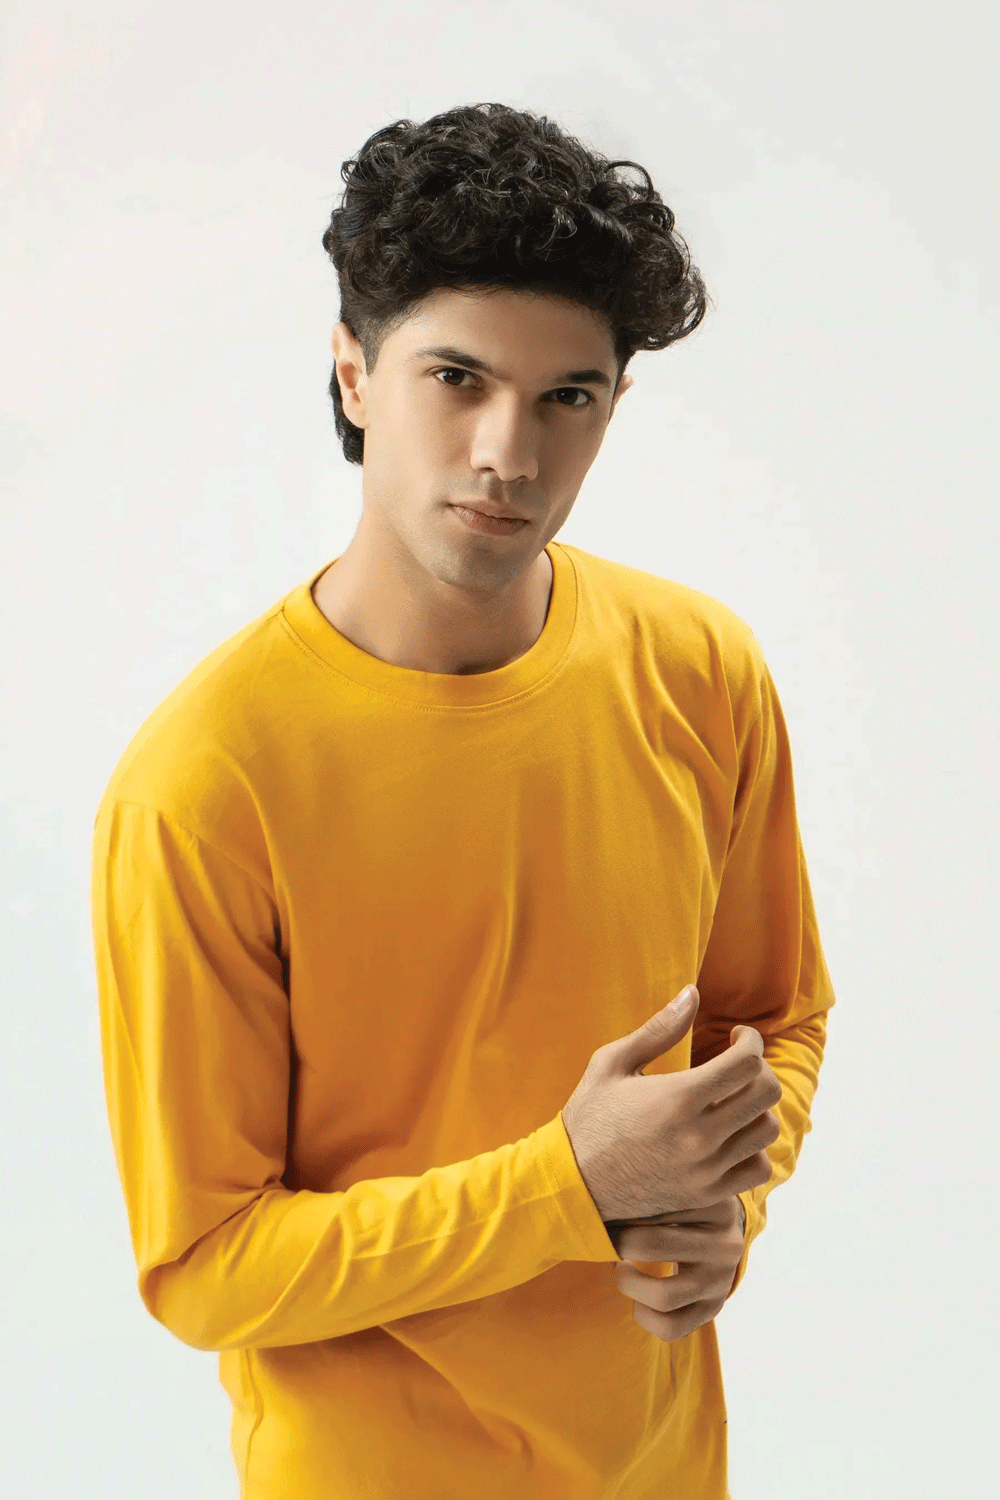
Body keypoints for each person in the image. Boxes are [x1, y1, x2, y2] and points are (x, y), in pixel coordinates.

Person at [90, 101, 835, 1500]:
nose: (510, 452)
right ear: (354, 373)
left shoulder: (700, 668)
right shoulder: (205, 782)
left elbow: (775, 1019)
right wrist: (575, 1184)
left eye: (569, 398)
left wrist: (716, 1193)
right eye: (456, 377)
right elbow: (204, 1266)